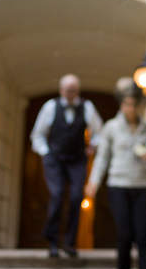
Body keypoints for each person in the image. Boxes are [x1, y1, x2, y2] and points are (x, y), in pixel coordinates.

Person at [85, 78, 146, 269]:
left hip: (142, 189)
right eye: (126, 104)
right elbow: (102, 158)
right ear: (122, 105)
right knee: (124, 235)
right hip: (117, 186)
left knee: (143, 238)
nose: (130, 108)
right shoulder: (111, 127)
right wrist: (93, 182)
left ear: (139, 105)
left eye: (134, 104)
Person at [31, 73, 103, 258]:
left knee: (76, 197)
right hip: (54, 160)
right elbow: (37, 135)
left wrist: (92, 146)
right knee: (56, 196)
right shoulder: (50, 107)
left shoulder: (86, 107)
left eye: (75, 90)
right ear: (61, 90)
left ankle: (69, 242)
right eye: (68, 90)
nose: (72, 94)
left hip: (77, 160)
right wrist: (45, 152)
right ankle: (53, 241)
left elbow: (99, 132)